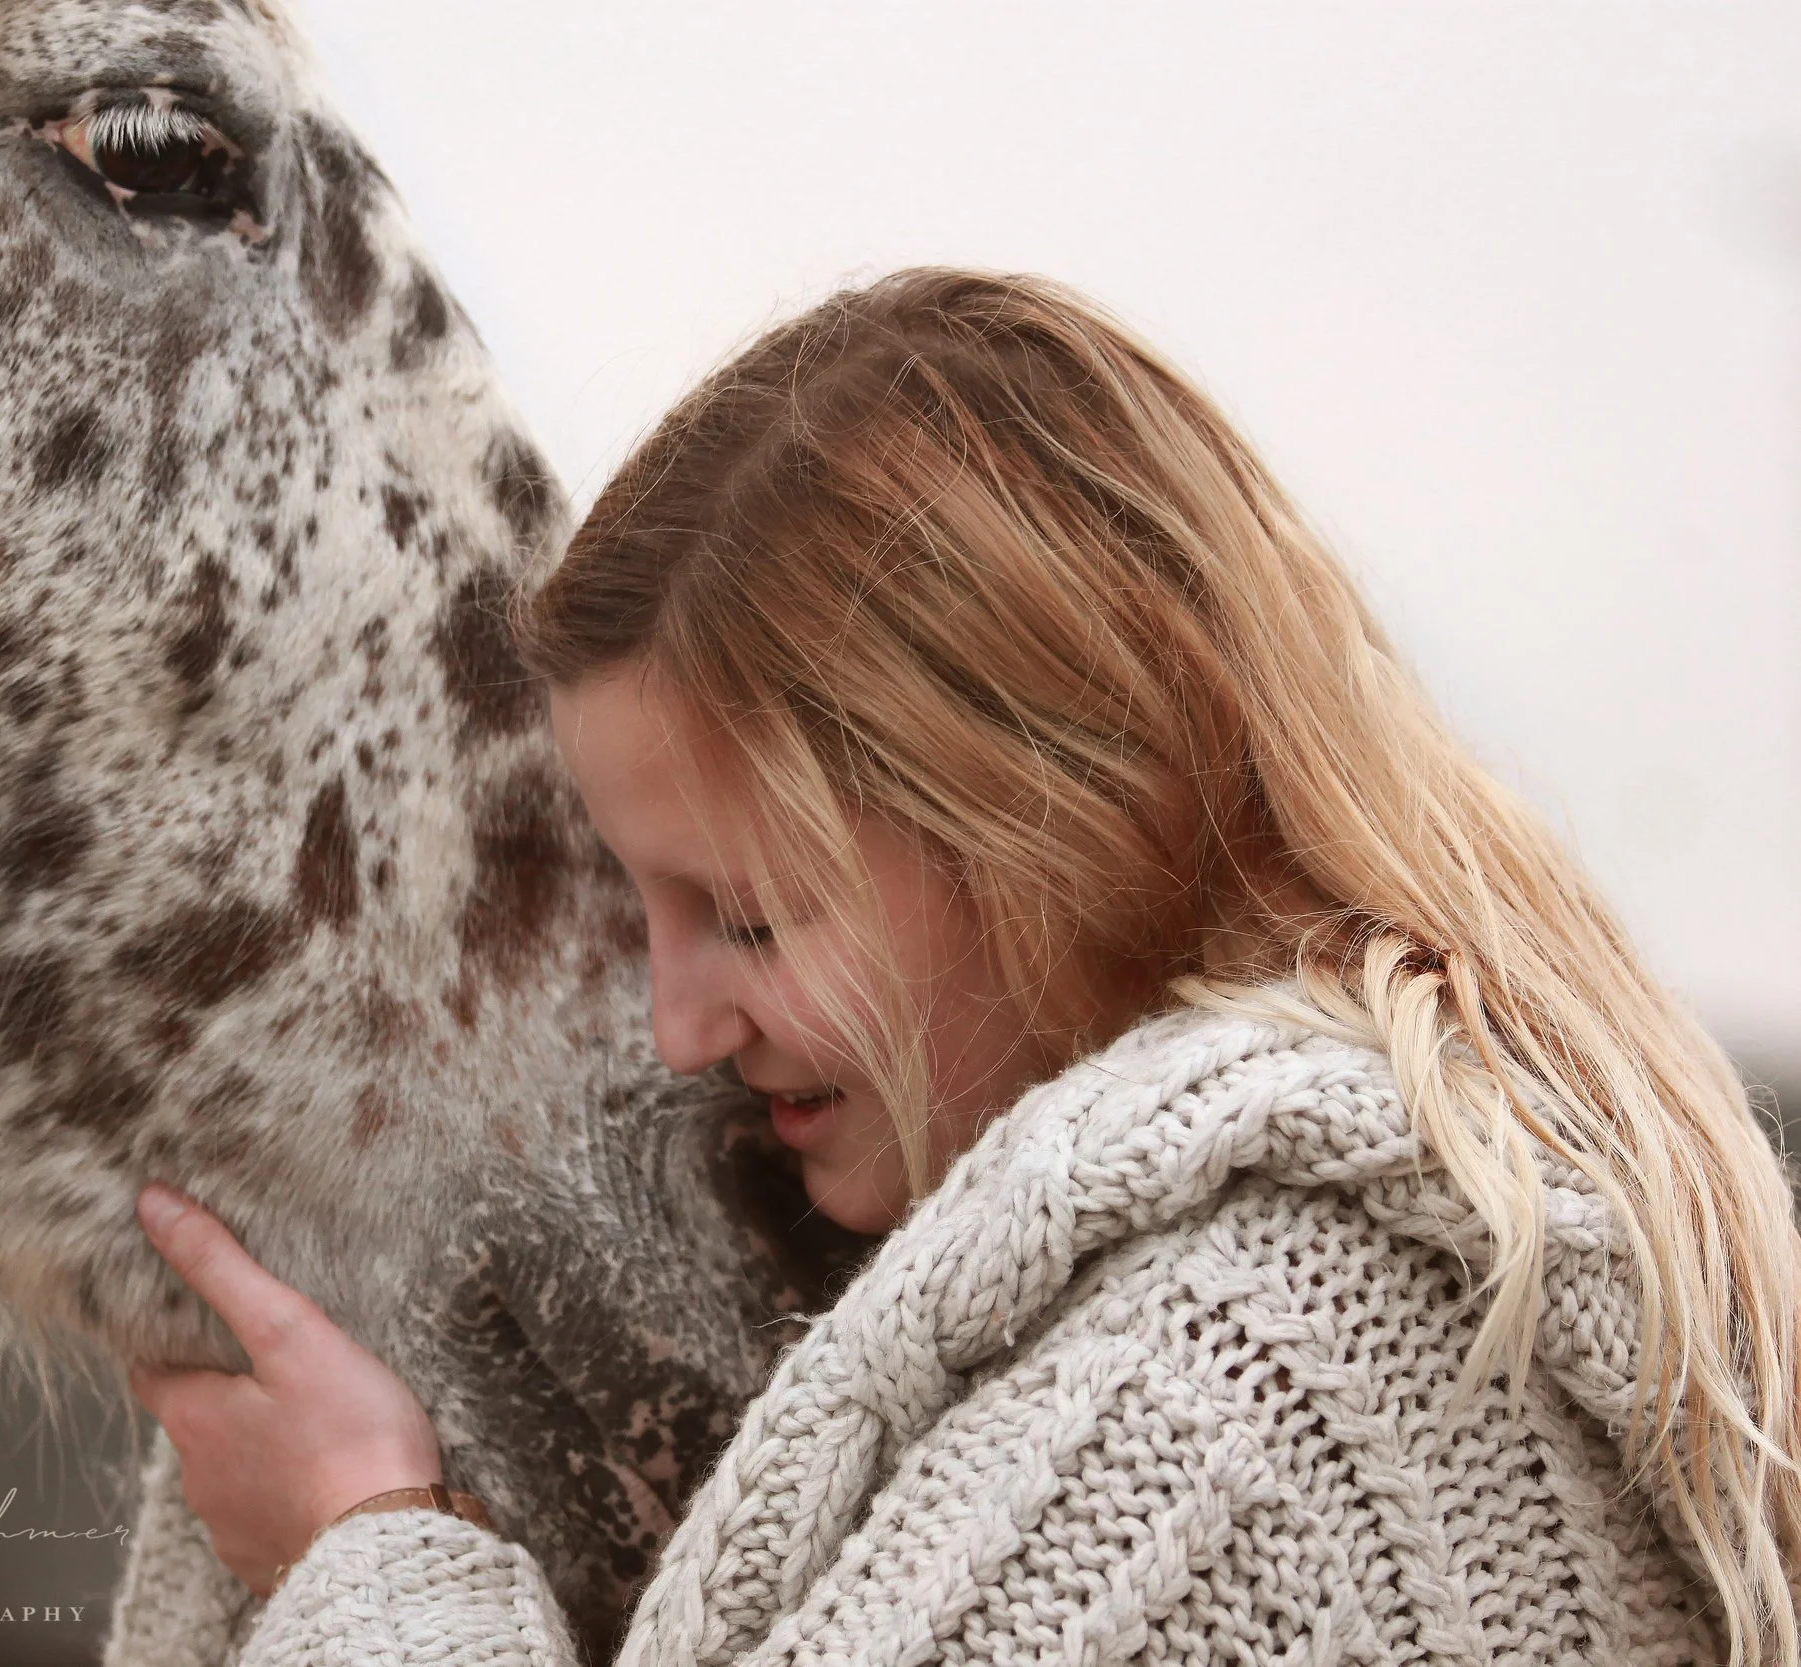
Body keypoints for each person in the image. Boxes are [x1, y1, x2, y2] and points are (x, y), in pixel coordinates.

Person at [126, 269, 1800, 1664]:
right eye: (650, 915)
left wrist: (366, 1548)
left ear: (1057, 816)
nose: (680, 1023)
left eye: (757, 917)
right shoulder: (1384, 1290)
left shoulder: (1218, 1411)